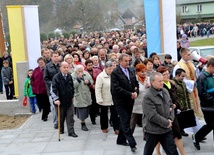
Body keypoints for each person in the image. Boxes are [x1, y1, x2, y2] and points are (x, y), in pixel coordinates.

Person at [142, 72, 178, 155]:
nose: (162, 83)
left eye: (162, 80)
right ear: (152, 82)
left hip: (166, 129)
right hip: (153, 130)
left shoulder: (165, 91)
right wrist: (166, 123)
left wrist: (170, 119)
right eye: (159, 81)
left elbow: (171, 106)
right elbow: (152, 115)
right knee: (148, 151)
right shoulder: (147, 96)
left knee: (172, 151)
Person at [110, 54, 139, 153]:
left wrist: (136, 92)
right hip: (120, 101)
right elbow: (116, 88)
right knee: (125, 120)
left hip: (130, 100)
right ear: (120, 61)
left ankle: (121, 139)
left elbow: (135, 83)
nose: (127, 62)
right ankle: (132, 143)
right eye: (125, 61)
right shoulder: (115, 72)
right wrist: (129, 93)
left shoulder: (131, 70)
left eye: (128, 60)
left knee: (125, 121)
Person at [156, 66, 186, 155]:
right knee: (158, 134)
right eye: (164, 74)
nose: (167, 76)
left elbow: (176, 97)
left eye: (168, 73)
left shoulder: (172, 83)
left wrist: (176, 104)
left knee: (177, 133)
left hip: (173, 112)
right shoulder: (160, 86)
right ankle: (158, 152)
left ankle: (183, 153)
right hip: (163, 113)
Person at [173, 48, 204, 120]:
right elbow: (179, 80)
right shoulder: (178, 66)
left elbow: (195, 74)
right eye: (188, 54)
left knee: (197, 105)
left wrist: (199, 68)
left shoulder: (190, 63)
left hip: (194, 88)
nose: (190, 56)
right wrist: (193, 83)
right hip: (187, 90)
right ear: (183, 55)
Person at [50, 62, 78, 137]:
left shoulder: (69, 76)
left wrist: (72, 96)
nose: (66, 69)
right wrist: (55, 99)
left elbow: (72, 87)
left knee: (70, 117)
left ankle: (71, 132)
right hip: (60, 101)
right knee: (61, 117)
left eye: (67, 67)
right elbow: (53, 89)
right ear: (60, 68)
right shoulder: (56, 77)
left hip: (68, 101)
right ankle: (61, 129)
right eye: (64, 67)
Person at [192, 58, 214, 150]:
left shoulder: (211, 75)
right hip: (207, 106)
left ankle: (197, 137)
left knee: (211, 125)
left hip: (212, 105)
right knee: (210, 125)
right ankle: (196, 137)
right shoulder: (202, 77)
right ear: (210, 66)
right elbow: (202, 94)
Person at [95, 61, 120, 134]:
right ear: (105, 68)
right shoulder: (100, 76)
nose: (111, 71)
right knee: (104, 114)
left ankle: (116, 128)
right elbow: (98, 88)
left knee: (115, 114)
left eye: (112, 69)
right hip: (104, 97)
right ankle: (104, 127)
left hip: (114, 98)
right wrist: (99, 99)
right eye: (109, 69)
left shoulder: (114, 75)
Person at [72, 65, 94, 131]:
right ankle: (83, 123)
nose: (81, 72)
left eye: (82, 71)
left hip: (86, 94)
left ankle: (84, 120)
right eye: (79, 71)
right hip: (79, 95)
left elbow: (91, 81)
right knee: (81, 109)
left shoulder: (86, 73)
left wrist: (89, 82)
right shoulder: (73, 75)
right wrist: (78, 79)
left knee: (86, 109)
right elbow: (73, 85)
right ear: (76, 71)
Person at [130, 63, 150, 134]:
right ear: (137, 72)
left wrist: (150, 86)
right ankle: (129, 134)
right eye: (142, 72)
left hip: (146, 102)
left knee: (145, 120)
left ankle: (146, 134)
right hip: (136, 102)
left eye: (145, 71)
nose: (144, 73)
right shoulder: (134, 79)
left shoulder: (148, 79)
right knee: (133, 120)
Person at [44, 51, 60, 129]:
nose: (56, 57)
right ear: (51, 57)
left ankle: (61, 120)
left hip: (61, 89)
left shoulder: (61, 66)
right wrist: (53, 83)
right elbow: (45, 79)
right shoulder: (47, 66)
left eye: (57, 56)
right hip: (51, 90)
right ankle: (56, 122)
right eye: (54, 56)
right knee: (54, 106)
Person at [31, 57, 50, 121]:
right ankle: (46, 111)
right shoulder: (36, 70)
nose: (40, 64)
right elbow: (32, 78)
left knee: (45, 103)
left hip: (44, 90)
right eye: (39, 63)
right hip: (37, 90)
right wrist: (33, 84)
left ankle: (45, 116)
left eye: (42, 62)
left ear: (45, 63)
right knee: (39, 103)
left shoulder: (47, 69)